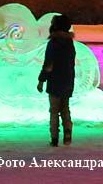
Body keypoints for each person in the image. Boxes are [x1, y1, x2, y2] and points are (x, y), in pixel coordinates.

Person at [37, 14, 76, 147]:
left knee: (54, 110)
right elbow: (71, 63)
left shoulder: (53, 44)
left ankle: (54, 138)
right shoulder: (70, 44)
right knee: (65, 109)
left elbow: (49, 64)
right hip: (67, 80)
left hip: (54, 81)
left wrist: (42, 80)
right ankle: (68, 133)